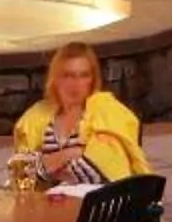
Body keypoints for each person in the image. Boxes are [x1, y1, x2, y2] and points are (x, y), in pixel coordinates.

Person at [12, 39, 150, 186]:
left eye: (84, 75)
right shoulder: (36, 118)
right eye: (68, 75)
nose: (76, 84)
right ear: (55, 79)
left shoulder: (107, 112)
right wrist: (72, 153)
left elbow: (101, 171)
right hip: (48, 204)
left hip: (97, 203)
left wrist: (47, 165)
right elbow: (23, 173)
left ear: (92, 79)